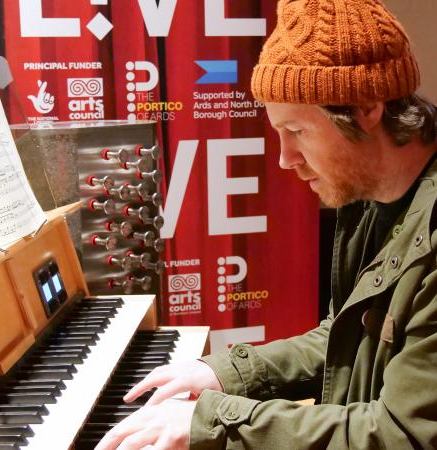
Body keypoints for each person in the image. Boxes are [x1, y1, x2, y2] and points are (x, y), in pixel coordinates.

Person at [95, 0, 437, 448]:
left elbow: (403, 435)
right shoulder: (374, 198)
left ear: (367, 107)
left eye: (296, 131)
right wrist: (224, 372)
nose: (284, 159)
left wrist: (214, 421)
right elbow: (342, 340)